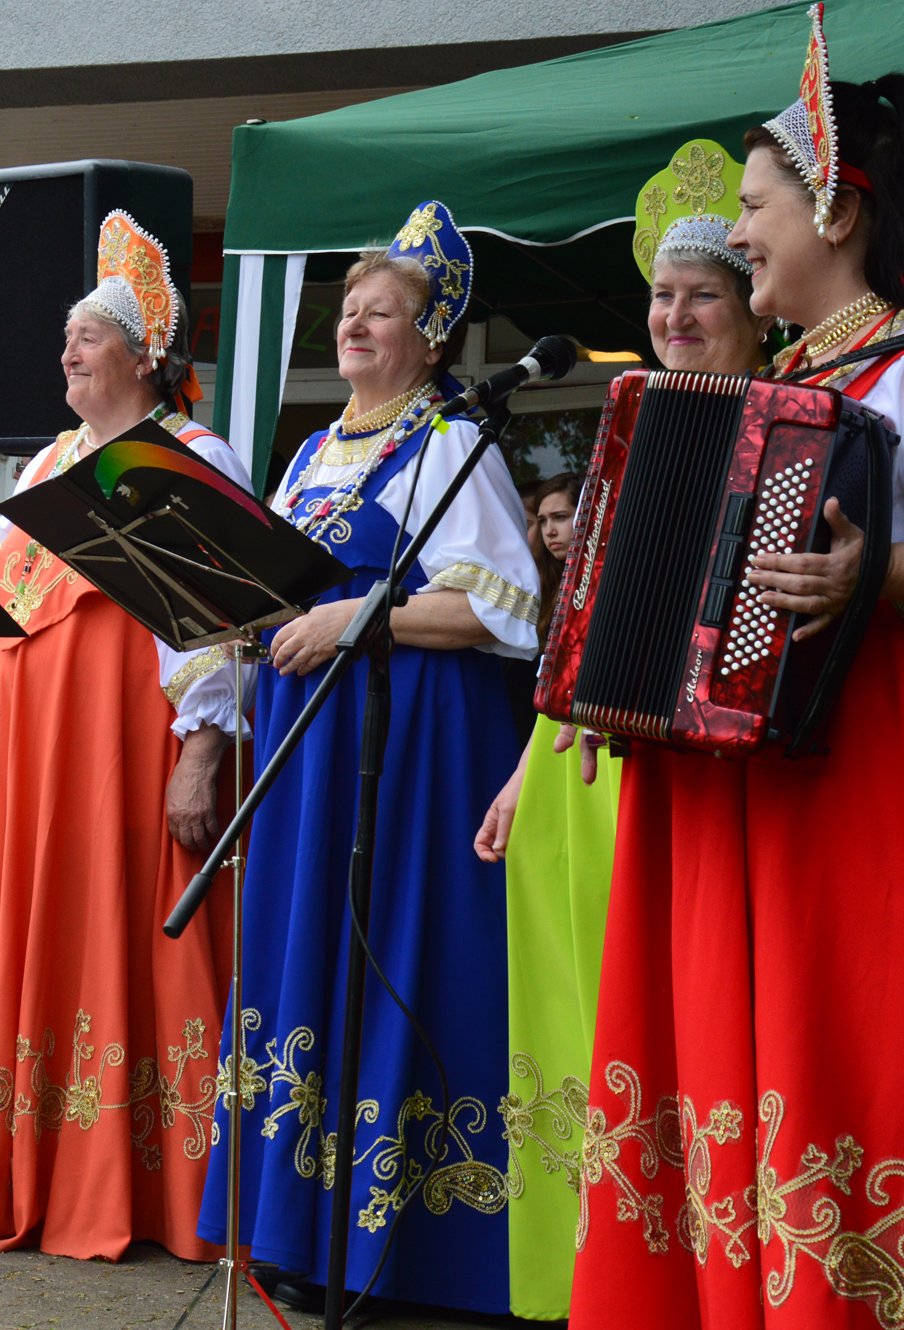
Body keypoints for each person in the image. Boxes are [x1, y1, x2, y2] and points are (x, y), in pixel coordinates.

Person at [572, 10, 904, 1324]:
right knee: (744, 1048)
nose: (736, 232)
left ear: (841, 209)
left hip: (878, 772)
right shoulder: (778, 382)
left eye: (754, 206)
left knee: (853, 1040)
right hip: (752, 787)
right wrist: (610, 672)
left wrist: (875, 573)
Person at [196, 202, 542, 1314]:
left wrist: (360, 621)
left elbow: (506, 608)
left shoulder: (445, 439)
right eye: (345, 309)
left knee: (388, 959)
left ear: (429, 336)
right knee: (311, 964)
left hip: (408, 746)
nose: (352, 325)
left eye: (378, 311)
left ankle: (401, 1248)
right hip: (309, 747)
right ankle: (304, 1228)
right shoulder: (309, 450)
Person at [474, 147, 771, 1321]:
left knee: (689, 1016)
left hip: (708, 771)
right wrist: (520, 765)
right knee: (585, 1015)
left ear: (749, 304)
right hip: (579, 766)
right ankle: (598, 1267)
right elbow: (576, 624)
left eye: (700, 293)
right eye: (661, 295)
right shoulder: (624, 425)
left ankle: (709, 1265)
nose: (674, 315)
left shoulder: (795, 420)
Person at [0, 212, 245, 1262]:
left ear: (145, 354)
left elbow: (216, 615)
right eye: (65, 336)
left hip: (115, 752)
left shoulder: (191, 453)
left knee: (124, 937)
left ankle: (138, 1186)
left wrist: (202, 748)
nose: (65, 351)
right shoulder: (44, 462)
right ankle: (25, 1166)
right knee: (31, 940)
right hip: (23, 760)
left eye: (88, 336)